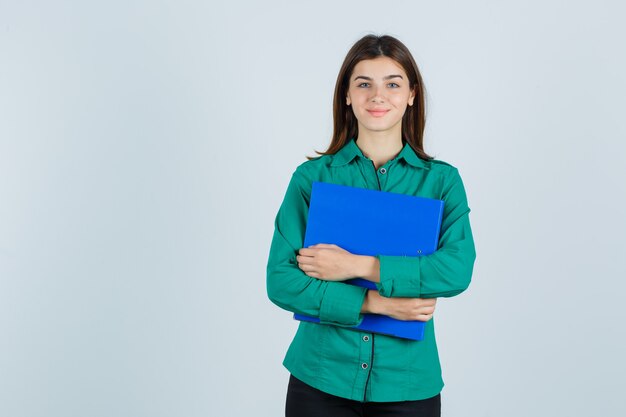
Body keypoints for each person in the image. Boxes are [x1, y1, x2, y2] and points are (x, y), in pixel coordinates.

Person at [266, 34, 476, 417]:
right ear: (346, 95)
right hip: (320, 378)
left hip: (408, 383)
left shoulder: (442, 182)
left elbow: (456, 270)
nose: (378, 96)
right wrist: (373, 302)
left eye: (392, 84)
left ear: (411, 94)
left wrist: (358, 266)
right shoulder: (312, 178)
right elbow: (281, 280)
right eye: (364, 84)